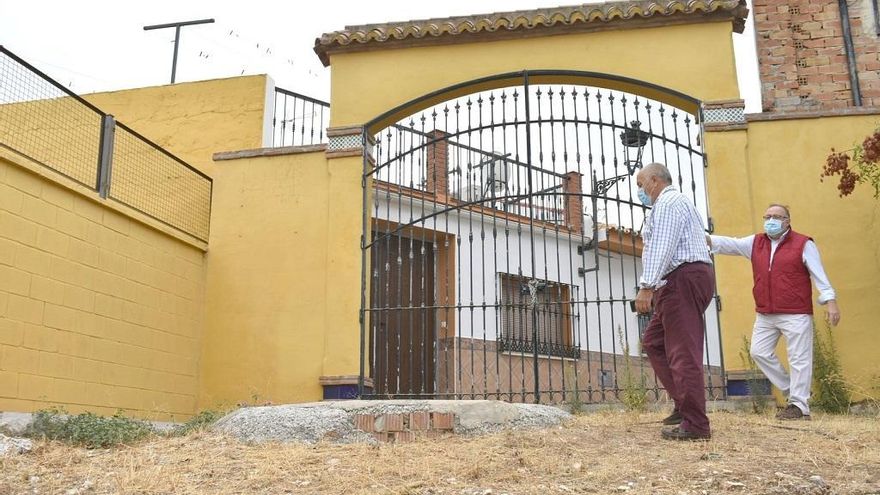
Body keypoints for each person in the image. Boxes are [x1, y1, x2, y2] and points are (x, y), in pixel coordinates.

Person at [708, 204, 840, 420]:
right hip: (765, 313)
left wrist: (830, 301)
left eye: (777, 216)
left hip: (796, 312)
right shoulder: (756, 242)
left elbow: (819, 275)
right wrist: (706, 239)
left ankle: (799, 406)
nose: (771, 220)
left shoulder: (803, 244)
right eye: (767, 216)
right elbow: (729, 243)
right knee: (758, 351)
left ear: (787, 221)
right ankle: (793, 391)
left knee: (799, 358)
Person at [635, 163, 715, 441]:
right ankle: (684, 405)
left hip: (681, 278)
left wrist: (646, 285)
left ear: (654, 181)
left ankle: (696, 424)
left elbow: (663, 245)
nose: (640, 191)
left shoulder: (668, 201)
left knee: (683, 351)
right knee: (654, 342)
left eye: (640, 184)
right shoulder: (672, 203)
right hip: (677, 281)